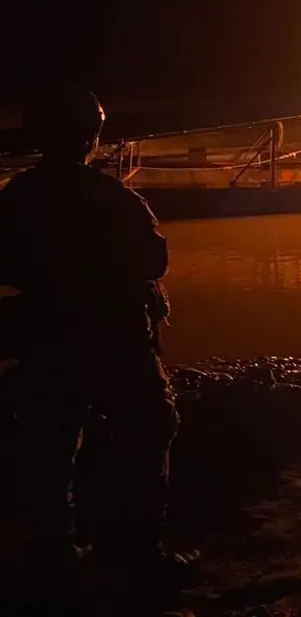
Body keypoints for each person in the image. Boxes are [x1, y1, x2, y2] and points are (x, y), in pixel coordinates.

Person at [0, 85, 199, 586]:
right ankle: (138, 551)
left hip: (47, 336)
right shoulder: (112, 199)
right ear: (91, 136)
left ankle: (54, 549)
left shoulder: (18, 197)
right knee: (149, 430)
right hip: (115, 340)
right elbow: (154, 260)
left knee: (49, 443)